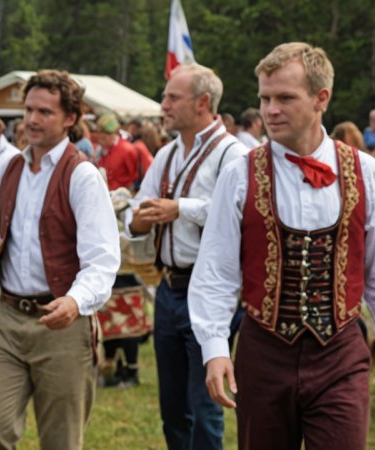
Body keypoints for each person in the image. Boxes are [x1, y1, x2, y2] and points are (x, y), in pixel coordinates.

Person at [190, 42, 375, 450]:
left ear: (321, 99)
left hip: (340, 354)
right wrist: (215, 347)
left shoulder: (366, 172)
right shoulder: (240, 173)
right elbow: (216, 269)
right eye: (265, 98)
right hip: (263, 351)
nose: (271, 110)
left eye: (285, 98)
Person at [0, 69, 120, 450]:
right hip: (6, 316)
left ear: (70, 118)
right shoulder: (7, 167)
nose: (32, 119)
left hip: (63, 323)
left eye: (45, 112)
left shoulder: (82, 175)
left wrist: (75, 301)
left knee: (61, 442)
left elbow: (102, 260)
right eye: (29, 110)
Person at [126, 63, 248, 450]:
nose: (163, 105)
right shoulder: (166, 154)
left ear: (202, 102)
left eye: (172, 97)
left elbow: (240, 211)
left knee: (204, 402)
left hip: (209, 288)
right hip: (168, 288)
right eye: (165, 97)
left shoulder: (234, 153)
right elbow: (137, 208)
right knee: (173, 405)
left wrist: (180, 208)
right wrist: (138, 221)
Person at [92, 113, 141, 191]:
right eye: (99, 132)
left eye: (106, 133)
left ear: (115, 133)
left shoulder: (127, 149)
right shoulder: (99, 150)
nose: (100, 136)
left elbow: (134, 177)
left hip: (121, 194)